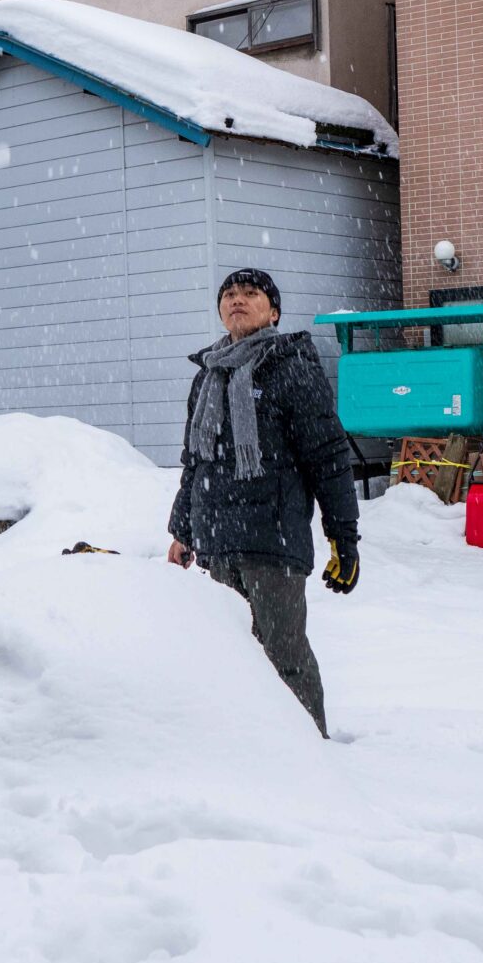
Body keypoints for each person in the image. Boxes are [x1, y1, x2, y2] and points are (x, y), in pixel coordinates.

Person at [166, 267, 359, 737]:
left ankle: (312, 749)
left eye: (250, 293)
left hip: (273, 543)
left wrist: (343, 537)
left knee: (282, 655)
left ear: (273, 311)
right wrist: (181, 530)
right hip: (217, 543)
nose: (237, 300)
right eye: (229, 294)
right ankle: (248, 748)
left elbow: (328, 456)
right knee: (230, 657)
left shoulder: (291, 367)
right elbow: (197, 460)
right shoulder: (207, 377)